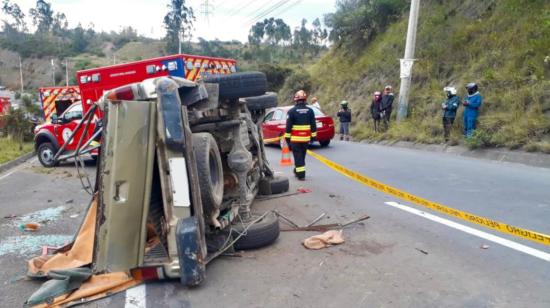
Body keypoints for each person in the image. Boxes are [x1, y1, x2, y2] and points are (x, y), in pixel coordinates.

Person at [285, 90, 317, 181]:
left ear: (296, 100)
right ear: (305, 100)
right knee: (302, 156)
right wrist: (313, 136)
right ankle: (297, 170)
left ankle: (301, 174)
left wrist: (287, 138)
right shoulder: (310, 111)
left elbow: (288, 127)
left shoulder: (291, 111)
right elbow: (313, 125)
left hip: (295, 140)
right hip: (306, 139)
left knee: (298, 156)